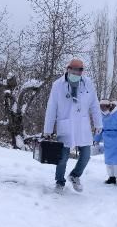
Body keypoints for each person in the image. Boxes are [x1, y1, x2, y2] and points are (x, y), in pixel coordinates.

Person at [43, 58, 103, 193]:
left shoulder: (88, 84)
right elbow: (51, 108)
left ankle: (75, 175)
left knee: (86, 155)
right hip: (66, 125)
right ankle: (60, 182)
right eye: (74, 69)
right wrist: (48, 129)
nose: (77, 72)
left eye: (80, 69)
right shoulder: (58, 85)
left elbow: (94, 105)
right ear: (68, 69)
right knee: (62, 158)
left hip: (82, 126)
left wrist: (98, 123)